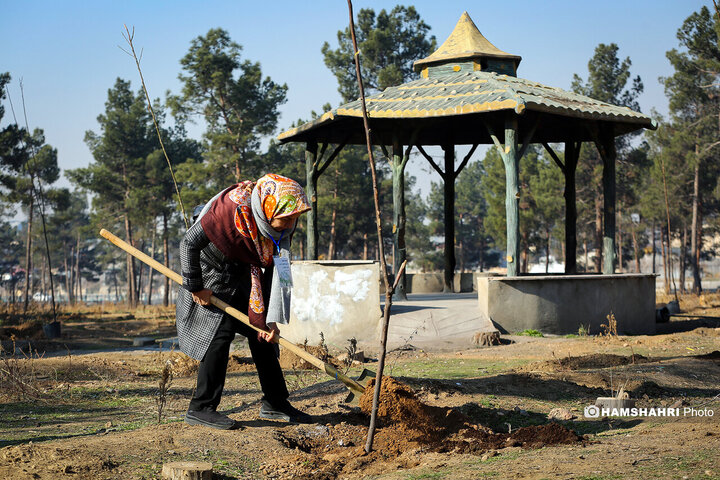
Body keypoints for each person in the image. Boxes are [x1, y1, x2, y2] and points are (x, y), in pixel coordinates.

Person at [176, 173, 312, 429]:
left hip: (241, 272)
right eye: (287, 217)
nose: (291, 224)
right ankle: (201, 408)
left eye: (295, 218)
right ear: (270, 206)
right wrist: (196, 287)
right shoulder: (231, 208)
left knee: (261, 334)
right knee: (219, 334)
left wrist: (272, 319)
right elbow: (188, 245)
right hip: (209, 273)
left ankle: (275, 402)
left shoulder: (281, 229)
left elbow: (280, 272)